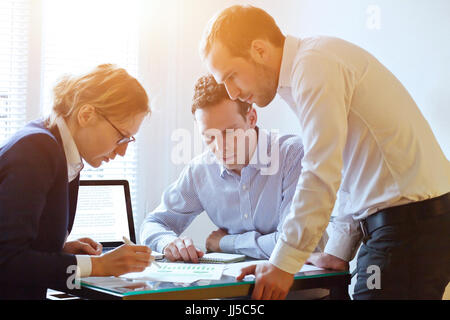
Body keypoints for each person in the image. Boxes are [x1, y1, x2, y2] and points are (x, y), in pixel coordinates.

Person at [199, 5, 450, 300]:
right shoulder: (311, 67)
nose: (231, 92)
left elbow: (321, 171)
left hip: (409, 231)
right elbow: (347, 168)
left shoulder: (314, 66)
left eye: (231, 76)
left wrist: (283, 263)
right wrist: (336, 252)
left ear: (259, 50)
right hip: (405, 228)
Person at [0, 64, 154, 300]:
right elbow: (8, 260)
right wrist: (98, 266)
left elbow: (18, 242)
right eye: (120, 137)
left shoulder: (62, 152)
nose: (122, 152)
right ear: (86, 115)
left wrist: (59, 250)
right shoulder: (37, 150)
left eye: (129, 140)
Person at [140, 74, 327, 265]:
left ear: (251, 118)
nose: (220, 148)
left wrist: (225, 242)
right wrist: (169, 243)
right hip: (236, 288)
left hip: (301, 286)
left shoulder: (292, 156)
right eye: (209, 137)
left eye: (230, 133)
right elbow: (153, 224)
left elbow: (294, 244)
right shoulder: (200, 172)